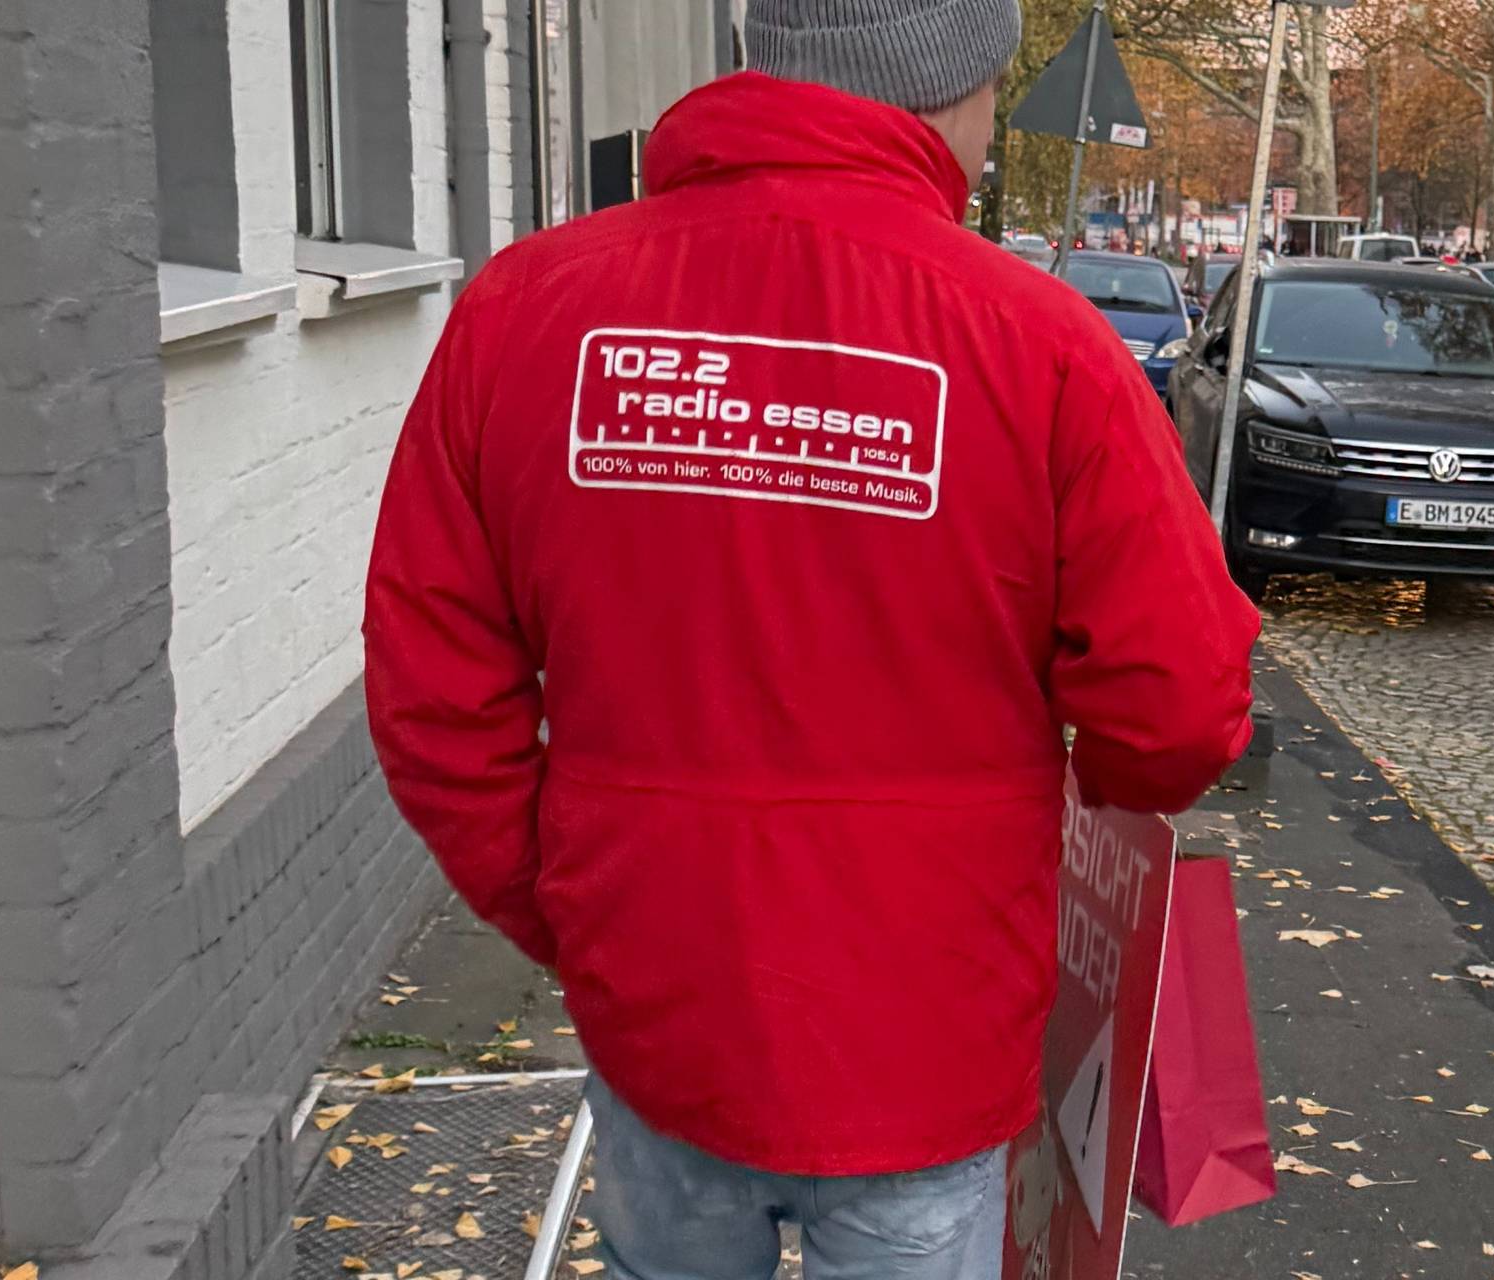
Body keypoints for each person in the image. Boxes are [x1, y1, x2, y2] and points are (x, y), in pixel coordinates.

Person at [362, 2, 1261, 1277]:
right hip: (928, 1020)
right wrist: (1077, 803)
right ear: (952, 87)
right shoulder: (1044, 346)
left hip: (655, 997)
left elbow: (431, 689)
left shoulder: (529, 309)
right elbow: (1176, 706)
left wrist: (571, 898)